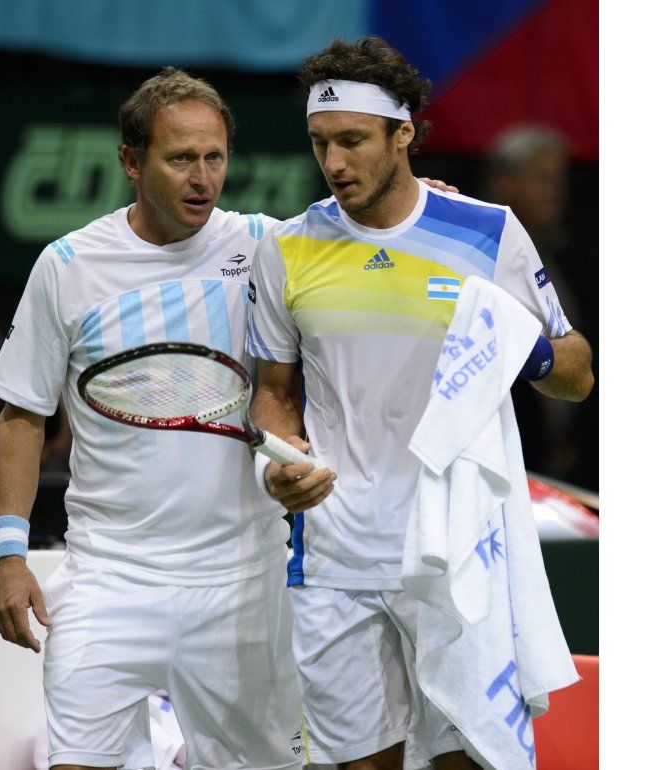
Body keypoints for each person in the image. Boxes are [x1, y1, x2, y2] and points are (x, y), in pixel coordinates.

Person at [247, 38, 594, 770]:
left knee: (467, 761)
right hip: (334, 556)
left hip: (455, 553)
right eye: (320, 143)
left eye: (352, 141)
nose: (334, 162)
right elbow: (273, 393)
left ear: (403, 133)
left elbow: (577, 374)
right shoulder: (287, 248)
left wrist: (517, 345)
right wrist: (280, 459)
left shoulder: (487, 232)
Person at [0, 67, 304, 770]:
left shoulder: (268, 247)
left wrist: (416, 206)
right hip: (110, 579)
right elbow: (21, 416)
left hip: (244, 582)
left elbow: (364, 248)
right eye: (181, 158)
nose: (203, 178)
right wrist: (8, 554)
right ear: (132, 162)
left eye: (215, 157)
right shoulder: (69, 265)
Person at [483, 124, 591, 483]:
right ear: (504, 182)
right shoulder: (476, 261)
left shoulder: (575, 263)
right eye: (541, 179)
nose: (555, 192)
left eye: (559, 180)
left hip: (567, 468)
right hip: (503, 462)